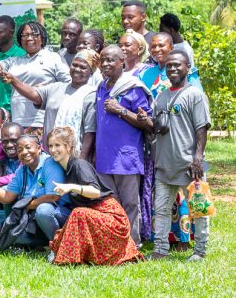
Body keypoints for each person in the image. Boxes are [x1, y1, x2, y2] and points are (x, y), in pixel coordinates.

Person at [45, 127, 142, 265]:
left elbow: (95, 192)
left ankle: (67, 259)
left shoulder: (79, 165)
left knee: (78, 213)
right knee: (76, 215)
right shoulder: (65, 169)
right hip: (95, 214)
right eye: (50, 146)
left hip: (112, 217)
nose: (53, 150)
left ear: (68, 147)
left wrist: (71, 187)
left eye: (57, 145)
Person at [149, 50, 211, 261]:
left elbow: (202, 127)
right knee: (162, 209)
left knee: (198, 208)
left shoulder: (194, 94)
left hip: (189, 165)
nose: (173, 69)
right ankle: (160, 249)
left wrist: (198, 158)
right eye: (169, 66)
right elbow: (157, 126)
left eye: (177, 65)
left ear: (187, 68)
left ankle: (200, 251)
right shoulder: (161, 96)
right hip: (164, 164)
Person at [90, 44, 153, 242]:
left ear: (122, 62)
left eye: (111, 60)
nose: (106, 64)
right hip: (104, 156)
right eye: (103, 60)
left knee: (129, 203)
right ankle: (114, 242)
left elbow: (147, 123)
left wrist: (121, 110)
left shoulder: (133, 87)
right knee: (110, 202)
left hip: (127, 157)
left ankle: (132, 243)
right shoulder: (101, 86)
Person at [0, 21, 69, 132]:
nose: (29, 38)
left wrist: (48, 90)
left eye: (34, 34)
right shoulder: (14, 61)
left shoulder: (53, 58)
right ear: (19, 39)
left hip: (43, 121)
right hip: (19, 121)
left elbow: (68, 84)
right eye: (25, 35)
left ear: (42, 38)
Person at [0, 134, 66, 248]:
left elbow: (52, 197)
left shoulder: (50, 163)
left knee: (43, 210)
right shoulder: (22, 169)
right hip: (30, 217)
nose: (24, 152)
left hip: (56, 213)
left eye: (28, 147)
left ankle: (57, 246)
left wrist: (24, 206)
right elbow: (7, 197)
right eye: (20, 150)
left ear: (39, 148)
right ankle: (35, 242)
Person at [6, 49, 99, 150]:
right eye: (75, 65)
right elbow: (33, 94)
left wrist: (82, 158)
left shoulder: (92, 95)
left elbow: (89, 132)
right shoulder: (55, 88)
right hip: (50, 153)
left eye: (83, 67)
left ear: (91, 72)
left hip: (74, 154)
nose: (77, 69)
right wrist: (14, 81)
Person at [141, 33, 202, 97]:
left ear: (172, 48)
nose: (157, 49)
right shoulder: (143, 75)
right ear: (149, 50)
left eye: (161, 45)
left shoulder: (186, 71)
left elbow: (198, 97)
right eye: (153, 46)